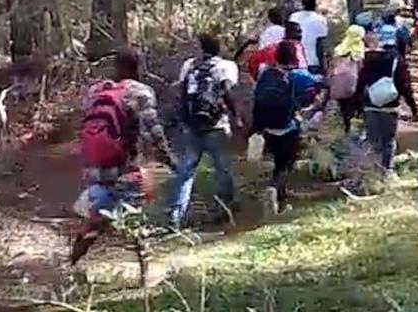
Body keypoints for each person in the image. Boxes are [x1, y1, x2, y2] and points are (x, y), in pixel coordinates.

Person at [72, 48, 174, 264]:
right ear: (136, 67)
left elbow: (88, 127)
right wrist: (168, 159)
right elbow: (154, 131)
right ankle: (146, 271)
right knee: (136, 214)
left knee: (97, 217)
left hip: (96, 166)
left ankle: (72, 262)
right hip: (127, 166)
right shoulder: (140, 92)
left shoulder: (95, 91)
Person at [167, 34, 241, 229]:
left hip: (192, 127)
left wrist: (183, 119)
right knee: (222, 169)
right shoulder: (227, 66)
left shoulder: (189, 65)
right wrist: (237, 117)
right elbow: (227, 92)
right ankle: (223, 209)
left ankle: (176, 215)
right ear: (219, 48)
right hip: (217, 125)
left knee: (186, 172)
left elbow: (182, 93)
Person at [252, 41, 328, 212]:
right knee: (286, 164)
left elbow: (256, 97)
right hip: (288, 126)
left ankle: (280, 195)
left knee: (278, 162)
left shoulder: (265, 74)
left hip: (268, 128)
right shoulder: (300, 75)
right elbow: (321, 85)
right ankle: (275, 192)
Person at [354, 33, 418, 176]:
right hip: (390, 106)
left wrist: (358, 105)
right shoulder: (397, 61)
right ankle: (386, 172)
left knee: (374, 142)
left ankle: (373, 173)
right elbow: (404, 86)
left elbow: (360, 83)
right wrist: (414, 109)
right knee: (388, 141)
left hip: (370, 105)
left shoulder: (370, 61)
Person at [330, 25, 366, 134]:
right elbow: (361, 68)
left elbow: (332, 66)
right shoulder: (358, 49)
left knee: (344, 107)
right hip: (353, 83)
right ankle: (354, 128)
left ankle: (345, 128)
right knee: (354, 106)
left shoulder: (339, 48)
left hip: (338, 82)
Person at [289, 0, 329, 75]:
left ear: (302, 4)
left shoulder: (293, 17)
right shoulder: (320, 20)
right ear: (315, 4)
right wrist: (323, 66)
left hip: (295, 61)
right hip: (313, 61)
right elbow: (321, 45)